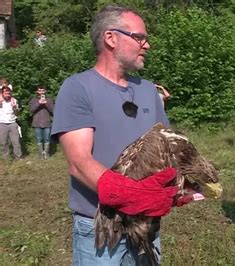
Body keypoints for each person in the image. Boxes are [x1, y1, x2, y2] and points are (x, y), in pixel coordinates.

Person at [51, 5, 191, 265]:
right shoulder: (78, 88)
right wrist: (132, 196)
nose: (147, 45)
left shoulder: (149, 90)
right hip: (101, 225)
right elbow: (78, 163)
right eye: (140, 37)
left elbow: (167, 148)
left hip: (147, 225)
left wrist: (180, 185)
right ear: (110, 38)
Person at [29, 85, 54, 159]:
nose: (41, 92)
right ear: (37, 91)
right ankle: (41, 155)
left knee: (47, 139)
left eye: (43, 90)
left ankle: (46, 154)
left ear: (45, 91)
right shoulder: (33, 100)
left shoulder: (49, 99)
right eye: (40, 90)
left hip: (47, 122)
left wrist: (46, 103)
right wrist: (39, 103)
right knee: (39, 139)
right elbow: (31, 110)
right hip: (37, 123)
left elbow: (53, 111)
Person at [0, 85, 22, 160]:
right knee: (4, 142)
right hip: (2, 124)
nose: (8, 95)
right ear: (2, 93)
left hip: (13, 123)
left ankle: (18, 157)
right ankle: (5, 158)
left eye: (9, 93)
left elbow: (17, 113)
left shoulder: (14, 100)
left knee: (16, 142)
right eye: (6, 93)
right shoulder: (0, 101)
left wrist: (15, 107)